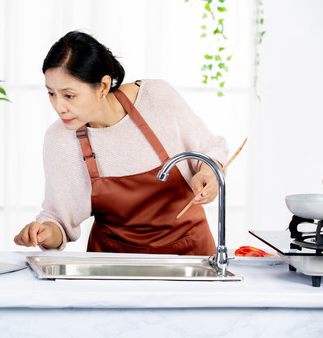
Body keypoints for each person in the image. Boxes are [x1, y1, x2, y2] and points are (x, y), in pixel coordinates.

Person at [13, 31, 228, 255]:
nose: (59, 107)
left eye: (69, 95)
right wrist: (44, 232)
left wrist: (209, 174)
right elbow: (58, 221)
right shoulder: (60, 139)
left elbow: (212, 149)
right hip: (114, 265)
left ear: (103, 86)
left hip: (188, 254)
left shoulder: (156, 98)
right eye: (51, 94)